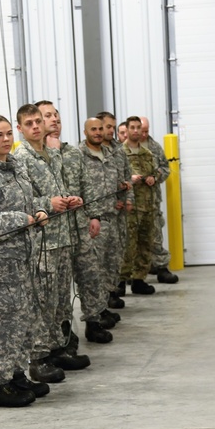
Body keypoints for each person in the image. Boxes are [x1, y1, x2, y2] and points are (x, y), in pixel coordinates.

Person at [0, 114, 50, 407]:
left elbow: (29, 202)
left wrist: (40, 211)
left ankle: (16, 372)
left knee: (24, 317)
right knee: (5, 321)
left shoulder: (16, 167)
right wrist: (21, 219)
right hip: (0, 260)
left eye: (7, 134)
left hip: (24, 254)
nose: (5, 139)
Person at [12, 103, 89, 381]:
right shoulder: (19, 158)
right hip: (41, 242)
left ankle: (58, 349)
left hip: (62, 237)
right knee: (41, 303)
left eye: (37, 122)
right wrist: (48, 203)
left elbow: (58, 191)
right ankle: (39, 358)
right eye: (29, 123)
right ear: (19, 128)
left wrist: (69, 200)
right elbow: (18, 201)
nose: (35, 127)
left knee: (60, 301)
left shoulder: (51, 154)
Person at [39, 101, 114, 345]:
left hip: (79, 225)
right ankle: (64, 331)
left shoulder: (72, 152)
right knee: (59, 287)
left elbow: (86, 185)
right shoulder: (33, 155)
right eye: (47, 116)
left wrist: (94, 215)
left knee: (90, 274)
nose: (54, 121)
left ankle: (94, 320)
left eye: (57, 116)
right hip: (53, 232)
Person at [78, 117, 125, 327]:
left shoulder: (110, 154)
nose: (98, 132)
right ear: (85, 131)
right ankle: (93, 316)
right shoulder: (79, 155)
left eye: (100, 129)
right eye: (93, 129)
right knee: (93, 271)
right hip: (93, 221)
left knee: (109, 265)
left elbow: (119, 179)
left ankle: (103, 306)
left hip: (112, 218)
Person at [95, 111, 133, 309]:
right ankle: (101, 301)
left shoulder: (119, 149)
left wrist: (128, 199)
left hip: (119, 214)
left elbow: (127, 177)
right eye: (107, 127)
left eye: (112, 127)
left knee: (115, 255)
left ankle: (111, 292)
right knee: (100, 260)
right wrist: (111, 202)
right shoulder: (91, 151)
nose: (111, 130)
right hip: (102, 216)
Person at [119, 116, 159, 295]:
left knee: (145, 243)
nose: (136, 131)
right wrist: (129, 180)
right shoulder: (120, 153)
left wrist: (153, 178)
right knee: (128, 245)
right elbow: (114, 178)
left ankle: (139, 279)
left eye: (138, 127)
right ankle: (120, 281)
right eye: (132, 127)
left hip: (147, 205)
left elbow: (156, 172)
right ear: (126, 130)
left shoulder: (147, 154)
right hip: (129, 207)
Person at [140, 116, 178, 284]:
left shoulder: (154, 147)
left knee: (155, 234)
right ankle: (136, 272)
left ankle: (161, 267)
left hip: (152, 199)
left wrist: (155, 177)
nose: (143, 134)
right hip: (133, 202)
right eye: (141, 130)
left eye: (146, 131)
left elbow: (165, 168)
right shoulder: (124, 149)